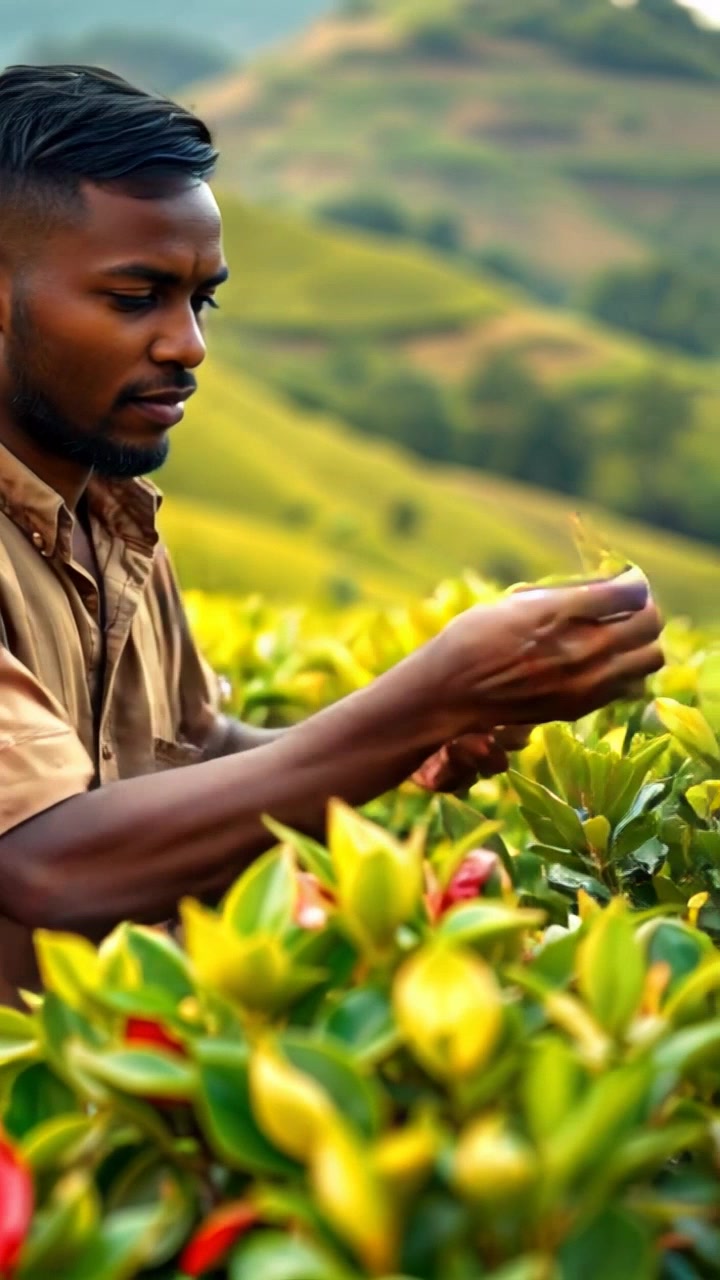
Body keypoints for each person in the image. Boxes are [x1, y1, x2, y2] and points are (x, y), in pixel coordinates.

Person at [0, 65, 663, 1006]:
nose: (188, 345)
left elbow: (200, 747)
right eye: (135, 296)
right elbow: (45, 863)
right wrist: (428, 700)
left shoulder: (112, 513)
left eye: (201, 300)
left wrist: (410, 730)